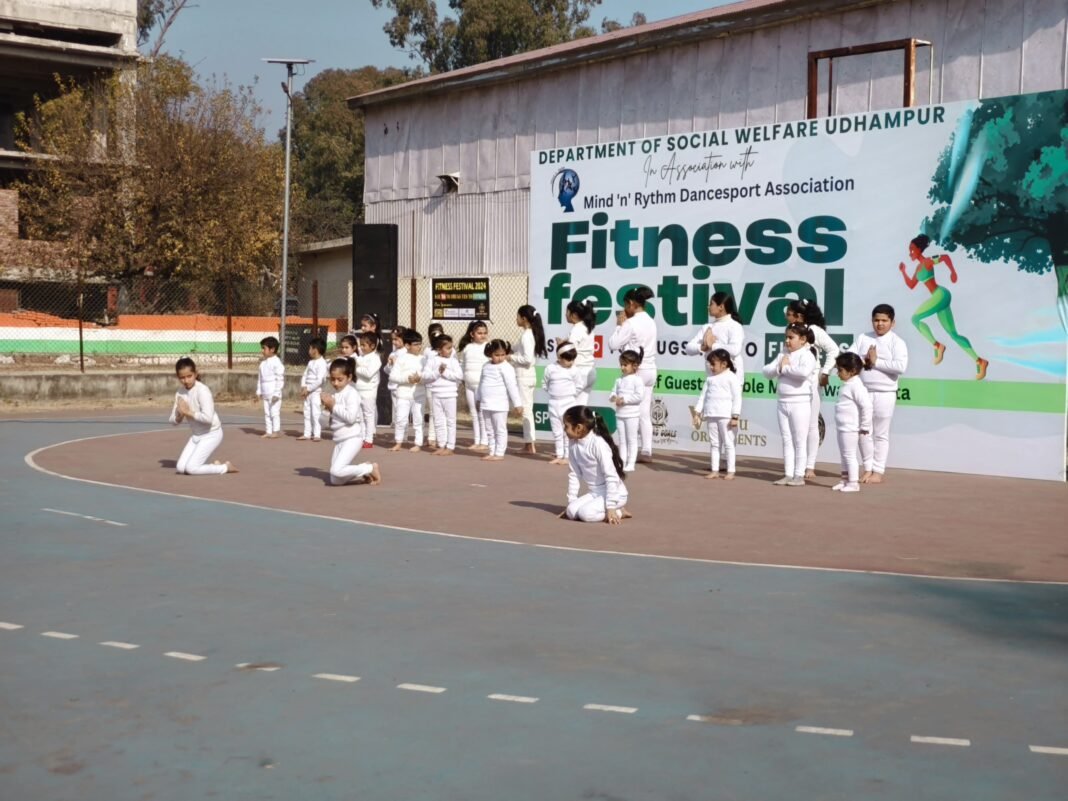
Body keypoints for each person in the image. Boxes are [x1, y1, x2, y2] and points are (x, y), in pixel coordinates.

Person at [900, 234, 988, 380]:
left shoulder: (927, 261)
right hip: (939, 298)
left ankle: (937, 346)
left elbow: (945, 257)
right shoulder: (917, 269)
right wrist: (903, 272)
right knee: (953, 334)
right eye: (909, 250)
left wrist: (953, 272)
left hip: (940, 295)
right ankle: (980, 361)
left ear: (919, 249)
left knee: (915, 319)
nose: (910, 252)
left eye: (912, 249)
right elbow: (911, 285)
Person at [848, 304, 909, 484]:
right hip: (864, 392)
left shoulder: (897, 342)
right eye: (876, 320)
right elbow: (850, 358)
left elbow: (900, 367)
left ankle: (878, 471)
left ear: (892, 322)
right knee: (863, 432)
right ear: (872, 321)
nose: (880, 324)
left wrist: (876, 362)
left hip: (885, 393)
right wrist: (864, 360)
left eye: (884, 320)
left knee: (881, 434)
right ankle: (867, 468)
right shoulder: (863, 338)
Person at [785, 299, 840, 478]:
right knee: (795, 426)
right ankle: (796, 465)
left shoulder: (813, 330)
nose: (786, 317)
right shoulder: (791, 332)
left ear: (799, 315)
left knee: (811, 424)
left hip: (811, 383)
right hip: (793, 383)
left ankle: (809, 466)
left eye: (789, 314)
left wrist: (825, 372)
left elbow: (834, 350)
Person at [763, 323, 818, 486]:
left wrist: (784, 368)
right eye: (786, 337)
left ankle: (799, 475)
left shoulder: (807, 355)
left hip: (800, 402)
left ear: (803, 339)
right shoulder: (783, 355)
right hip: (782, 402)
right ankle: (788, 474)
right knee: (786, 439)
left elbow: (802, 373)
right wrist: (780, 367)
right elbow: (766, 371)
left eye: (791, 337)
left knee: (799, 440)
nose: (787, 341)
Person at [608, 286, 658, 463]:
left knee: (629, 412)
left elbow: (613, 344)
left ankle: (629, 450)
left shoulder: (630, 323)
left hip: (636, 371)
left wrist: (619, 325)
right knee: (644, 412)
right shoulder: (650, 320)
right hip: (650, 369)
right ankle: (646, 450)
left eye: (625, 305)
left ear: (631, 303)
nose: (624, 310)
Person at [559, 406, 631, 524]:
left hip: (617, 494)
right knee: (571, 512)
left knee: (585, 514)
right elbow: (574, 474)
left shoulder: (598, 444)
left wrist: (611, 506)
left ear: (579, 428)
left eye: (566, 426)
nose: (564, 429)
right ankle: (604, 509)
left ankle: (619, 512)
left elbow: (611, 476)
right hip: (595, 493)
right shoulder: (572, 444)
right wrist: (571, 503)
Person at [169, 357, 235, 475]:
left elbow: (208, 418)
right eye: (182, 378)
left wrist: (188, 412)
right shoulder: (180, 392)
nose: (186, 380)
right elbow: (172, 420)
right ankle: (215, 465)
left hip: (212, 434)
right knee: (180, 468)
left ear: (195, 374)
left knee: (191, 469)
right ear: (178, 377)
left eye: (189, 376)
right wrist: (180, 415)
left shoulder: (202, 390)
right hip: (196, 436)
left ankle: (225, 467)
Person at [321, 357, 381, 486]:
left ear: (349, 377)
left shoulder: (352, 394)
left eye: (340, 379)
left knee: (336, 470)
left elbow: (351, 418)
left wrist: (333, 406)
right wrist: (326, 409)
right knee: (335, 480)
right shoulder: (333, 396)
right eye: (332, 379)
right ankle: (364, 468)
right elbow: (322, 424)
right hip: (339, 440)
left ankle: (370, 468)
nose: (335, 383)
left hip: (353, 438)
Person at [692, 349, 742, 480]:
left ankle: (731, 471)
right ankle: (715, 470)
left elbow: (737, 398)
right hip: (711, 415)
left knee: (728, 444)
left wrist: (735, 416)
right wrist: (697, 412)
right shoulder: (709, 379)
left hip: (726, 416)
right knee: (714, 444)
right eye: (710, 364)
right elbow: (703, 397)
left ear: (724, 364)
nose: (711, 367)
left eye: (713, 364)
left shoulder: (731, 377)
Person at [832, 351, 872, 493]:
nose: (837, 373)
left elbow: (867, 406)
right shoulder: (847, 384)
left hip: (850, 428)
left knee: (849, 455)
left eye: (840, 370)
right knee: (844, 455)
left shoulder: (856, 386)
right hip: (842, 427)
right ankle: (844, 480)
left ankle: (853, 483)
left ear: (852, 371)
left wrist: (865, 426)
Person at [476, 338, 522, 461]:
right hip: (486, 403)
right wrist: (478, 398)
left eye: (503, 355)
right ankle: (492, 451)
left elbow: (512, 386)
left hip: (500, 404)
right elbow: (481, 383)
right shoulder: (486, 366)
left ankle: (500, 452)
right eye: (497, 355)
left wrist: (517, 404)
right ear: (490, 354)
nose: (500, 358)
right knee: (489, 429)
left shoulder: (507, 368)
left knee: (500, 429)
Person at [511, 305, 548, 454]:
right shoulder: (530, 333)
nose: (516, 319)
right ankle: (529, 443)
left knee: (526, 411)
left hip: (524, 376)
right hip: (528, 376)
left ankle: (529, 444)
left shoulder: (527, 335)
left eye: (518, 316)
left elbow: (527, 359)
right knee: (527, 410)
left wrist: (510, 357)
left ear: (524, 318)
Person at [683, 291, 746, 377]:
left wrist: (713, 345)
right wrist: (703, 347)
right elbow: (688, 349)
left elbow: (735, 350)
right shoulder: (708, 327)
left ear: (721, 307)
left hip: (732, 378)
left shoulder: (735, 326)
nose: (708, 306)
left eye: (711, 304)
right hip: (712, 378)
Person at [421, 333, 463, 455]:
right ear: (439, 349)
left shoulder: (453, 361)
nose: (451, 350)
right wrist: (437, 372)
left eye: (452, 347)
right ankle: (441, 445)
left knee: (450, 421)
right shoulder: (432, 360)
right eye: (448, 348)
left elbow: (459, 376)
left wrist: (445, 372)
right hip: (436, 394)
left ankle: (450, 446)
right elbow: (425, 376)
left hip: (450, 395)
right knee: (438, 420)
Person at [387, 329, 426, 452]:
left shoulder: (424, 359)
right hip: (403, 394)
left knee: (418, 419)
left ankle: (418, 443)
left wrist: (420, 378)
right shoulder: (401, 358)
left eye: (420, 344)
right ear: (407, 345)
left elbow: (428, 376)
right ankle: (399, 442)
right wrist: (407, 379)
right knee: (400, 419)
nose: (419, 347)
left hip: (419, 394)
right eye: (416, 344)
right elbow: (393, 376)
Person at [542, 343, 580, 464]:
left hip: (568, 403)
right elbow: (545, 383)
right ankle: (559, 455)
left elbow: (579, 386)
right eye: (568, 359)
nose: (571, 362)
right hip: (553, 403)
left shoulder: (574, 370)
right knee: (557, 431)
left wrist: (569, 395)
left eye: (572, 359)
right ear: (559, 357)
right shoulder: (550, 368)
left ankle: (568, 456)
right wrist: (553, 393)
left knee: (568, 432)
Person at [608, 349, 645, 472]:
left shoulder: (637, 380)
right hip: (620, 414)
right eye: (621, 365)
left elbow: (639, 396)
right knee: (622, 440)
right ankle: (622, 462)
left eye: (625, 365)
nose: (622, 367)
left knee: (631, 439)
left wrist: (624, 400)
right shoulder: (619, 380)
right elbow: (613, 392)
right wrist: (613, 397)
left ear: (635, 366)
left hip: (632, 415)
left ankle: (631, 463)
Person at [459, 320, 491, 450]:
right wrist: (462, 378)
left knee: (482, 413)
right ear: (472, 334)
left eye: (485, 333)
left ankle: (485, 441)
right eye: (479, 333)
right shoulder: (467, 348)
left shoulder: (488, 347)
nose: (483, 335)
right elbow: (462, 364)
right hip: (469, 385)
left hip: (481, 385)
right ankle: (477, 440)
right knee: (473, 413)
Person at [560, 298, 598, 405]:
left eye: (567, 312)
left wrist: (561, 347)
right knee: (580, 407)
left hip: (580, 372)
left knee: (568, 405)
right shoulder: (587, 327)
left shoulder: (576, 329)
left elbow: (570, 352)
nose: (565, 314)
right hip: (590, 371)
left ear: (574, 315)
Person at [354, 331, 382, 449]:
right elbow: (358, 365)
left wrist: (356, 369)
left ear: (372, 346)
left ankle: (369, 439)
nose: (361, 347)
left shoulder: (375, 359)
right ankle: (362, 437)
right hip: (359, 389)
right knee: (360, 416)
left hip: (369, 391)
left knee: (368, 416)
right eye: (360, 345)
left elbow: (368, 373)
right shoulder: (362, 357)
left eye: (364, 345)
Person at [298, 337, 328, 441]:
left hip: (316, 392)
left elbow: (319, 380)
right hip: (307, 392)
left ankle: (317, 434)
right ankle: (307, 433)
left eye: (310, 348)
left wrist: (309, 389)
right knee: (307, 413)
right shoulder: (311, 362)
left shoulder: (322, 363)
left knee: (315, 413)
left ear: (315, 350)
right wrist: (303, 386)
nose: (309, 350)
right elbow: (305, 375)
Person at [256, 336, 285, 438]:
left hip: (273, 393)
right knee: (267, 413)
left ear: (272, 349)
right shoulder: (262, 364)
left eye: (264, 348)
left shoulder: (277, 363)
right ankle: (268, 431)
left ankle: (275, 431)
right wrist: (258, 391)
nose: (262, 350)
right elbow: (260, 379)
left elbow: (279, 379)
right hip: (265, 393)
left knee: (274, 412)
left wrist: (277, 393)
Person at [424, 322, 446, 448]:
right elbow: (426, 368)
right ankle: (431, 437)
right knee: (433, 412)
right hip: (431, 385)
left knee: (443, 412)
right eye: (433, 334)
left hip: (444, 385)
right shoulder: (428, 351)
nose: (436, 336)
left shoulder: (449, 349)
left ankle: (442, 438)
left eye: (439, 333)